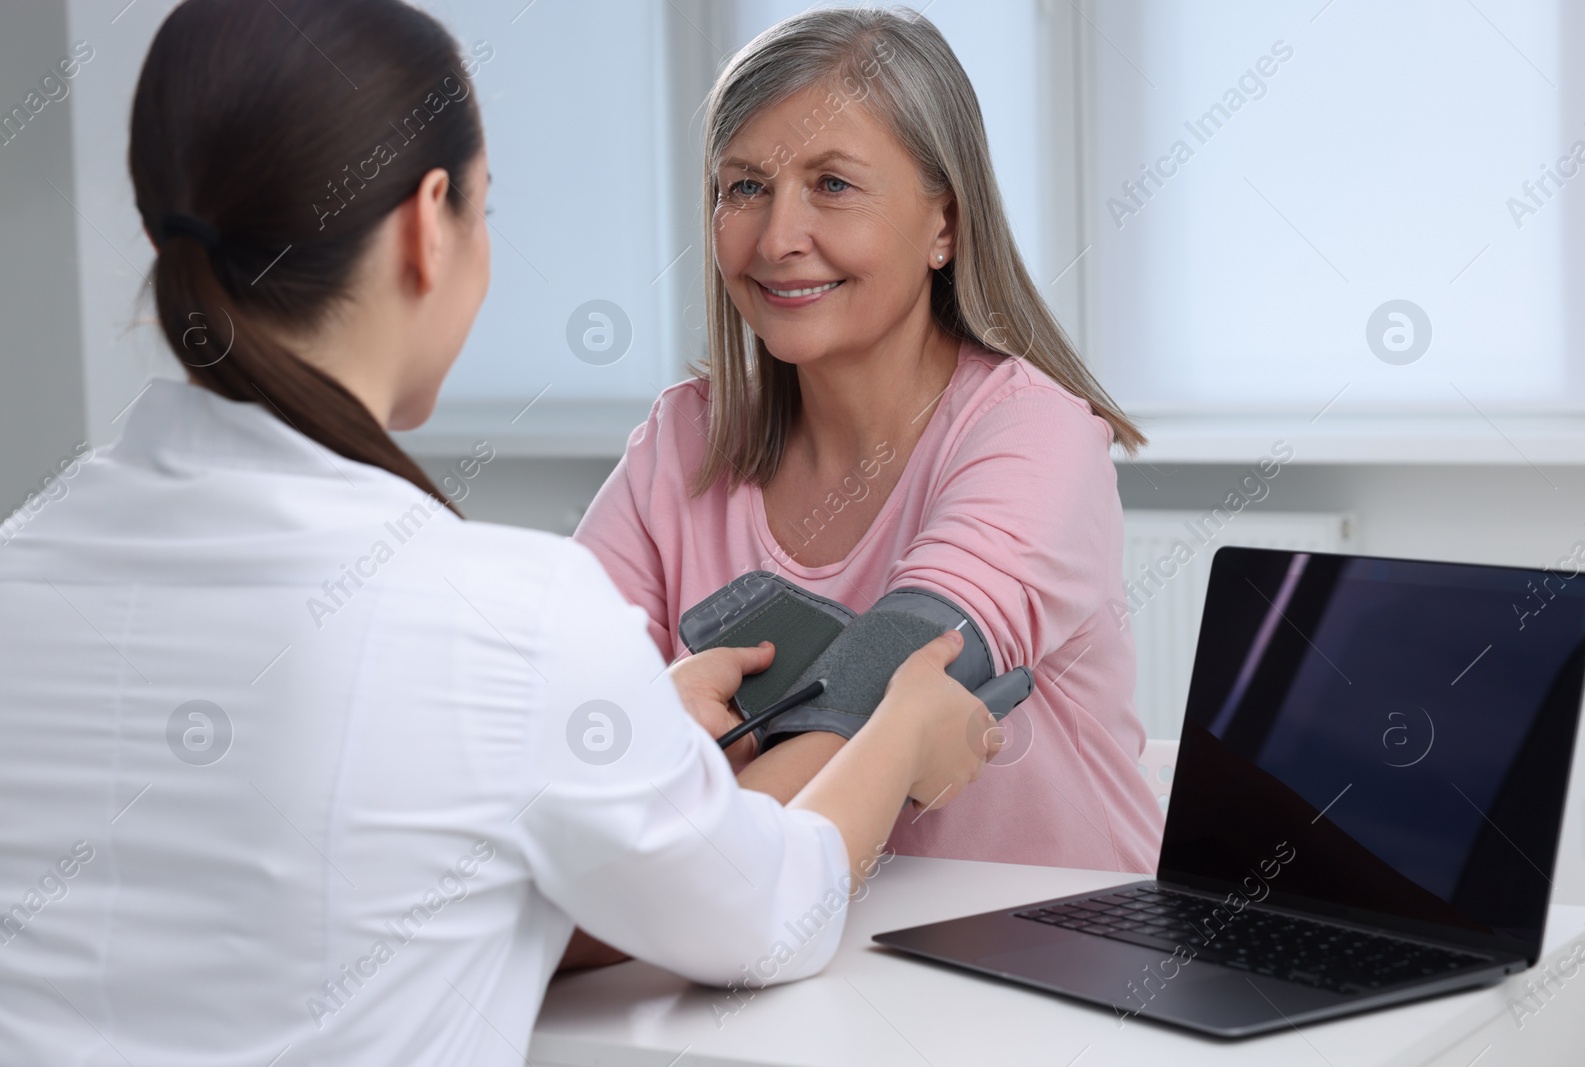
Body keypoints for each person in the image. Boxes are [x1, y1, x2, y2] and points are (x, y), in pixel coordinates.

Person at [0, 1, 994, 1062]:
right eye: (487, 209)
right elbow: (768, 916)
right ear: (430, 223)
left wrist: (630, 727)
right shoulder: (513, 619)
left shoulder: (22, 565)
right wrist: (896, 733)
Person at [575, 8, 1164, 871]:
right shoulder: (681, 440)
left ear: (945, 225)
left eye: (833, 185)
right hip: (788, 972)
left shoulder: (1035, 434)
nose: (777, 239)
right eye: (743, 187)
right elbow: (561, 720)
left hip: (1052, 967)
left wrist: (651, 847)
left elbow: (881, 691)